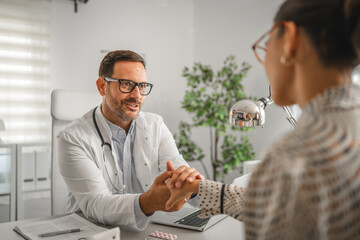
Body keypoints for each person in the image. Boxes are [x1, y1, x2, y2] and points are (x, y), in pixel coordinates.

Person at [164, 0, 360, 239]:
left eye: (265, 48)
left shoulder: (294, 158)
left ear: (290, 39)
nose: (264, 62)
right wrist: (200, 189)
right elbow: (280, 202)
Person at [57, 50, 202, 231]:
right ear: (102, 86)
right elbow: (95, 203)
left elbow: (181, 172)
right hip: (94, 232)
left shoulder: (155, 125)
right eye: (126, 84)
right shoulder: (73, 138)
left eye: (142, 86)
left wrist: (193, 186)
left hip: (145, 230)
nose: (137, 95)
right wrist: (149, 202)